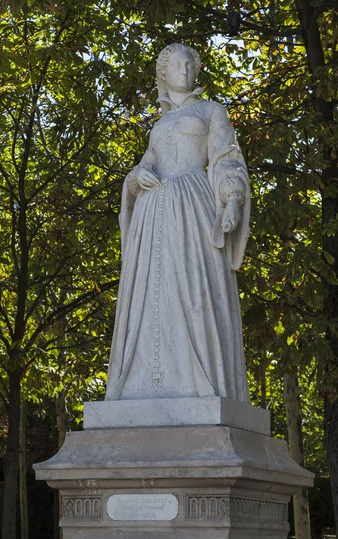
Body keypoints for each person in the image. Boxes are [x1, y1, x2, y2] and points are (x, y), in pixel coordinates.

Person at [105, 43, 251, 404]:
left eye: (190, 64)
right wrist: (138, 176)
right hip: (152, 212)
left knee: (193, 287)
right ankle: (147, 383)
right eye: (177, 65)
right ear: (164, 73)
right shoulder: (158, 124)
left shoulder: (212, 110)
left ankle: (203, 382)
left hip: (193, 206)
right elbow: (144, 166)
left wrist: (232, 199)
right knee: (152, 291)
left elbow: (226, 158)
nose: (185, 70)